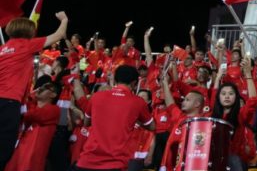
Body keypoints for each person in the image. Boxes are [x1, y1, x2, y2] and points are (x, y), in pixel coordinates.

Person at [0, 12, 68, 170]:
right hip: (9, 102)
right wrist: (64, 19)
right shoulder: (26, 45)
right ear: (29, 31)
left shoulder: (2, 49)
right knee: (5, 150)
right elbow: (58, 35)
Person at [75, 65, 155, 171]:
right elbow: (152, 127)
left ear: (115, 79)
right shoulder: (138, 102)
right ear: (134, 83)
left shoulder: (96, 97)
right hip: (115, 163)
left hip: (87, 161)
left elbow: (86, 123)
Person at [4, 82, 60, 171]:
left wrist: (31, 97)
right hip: (18, 153)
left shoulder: (55, 109)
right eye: (41, 86)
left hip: (32, 159)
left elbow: (33, 115)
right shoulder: (30, 105)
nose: (41, 88)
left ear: (53, 95)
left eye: (46, 87)